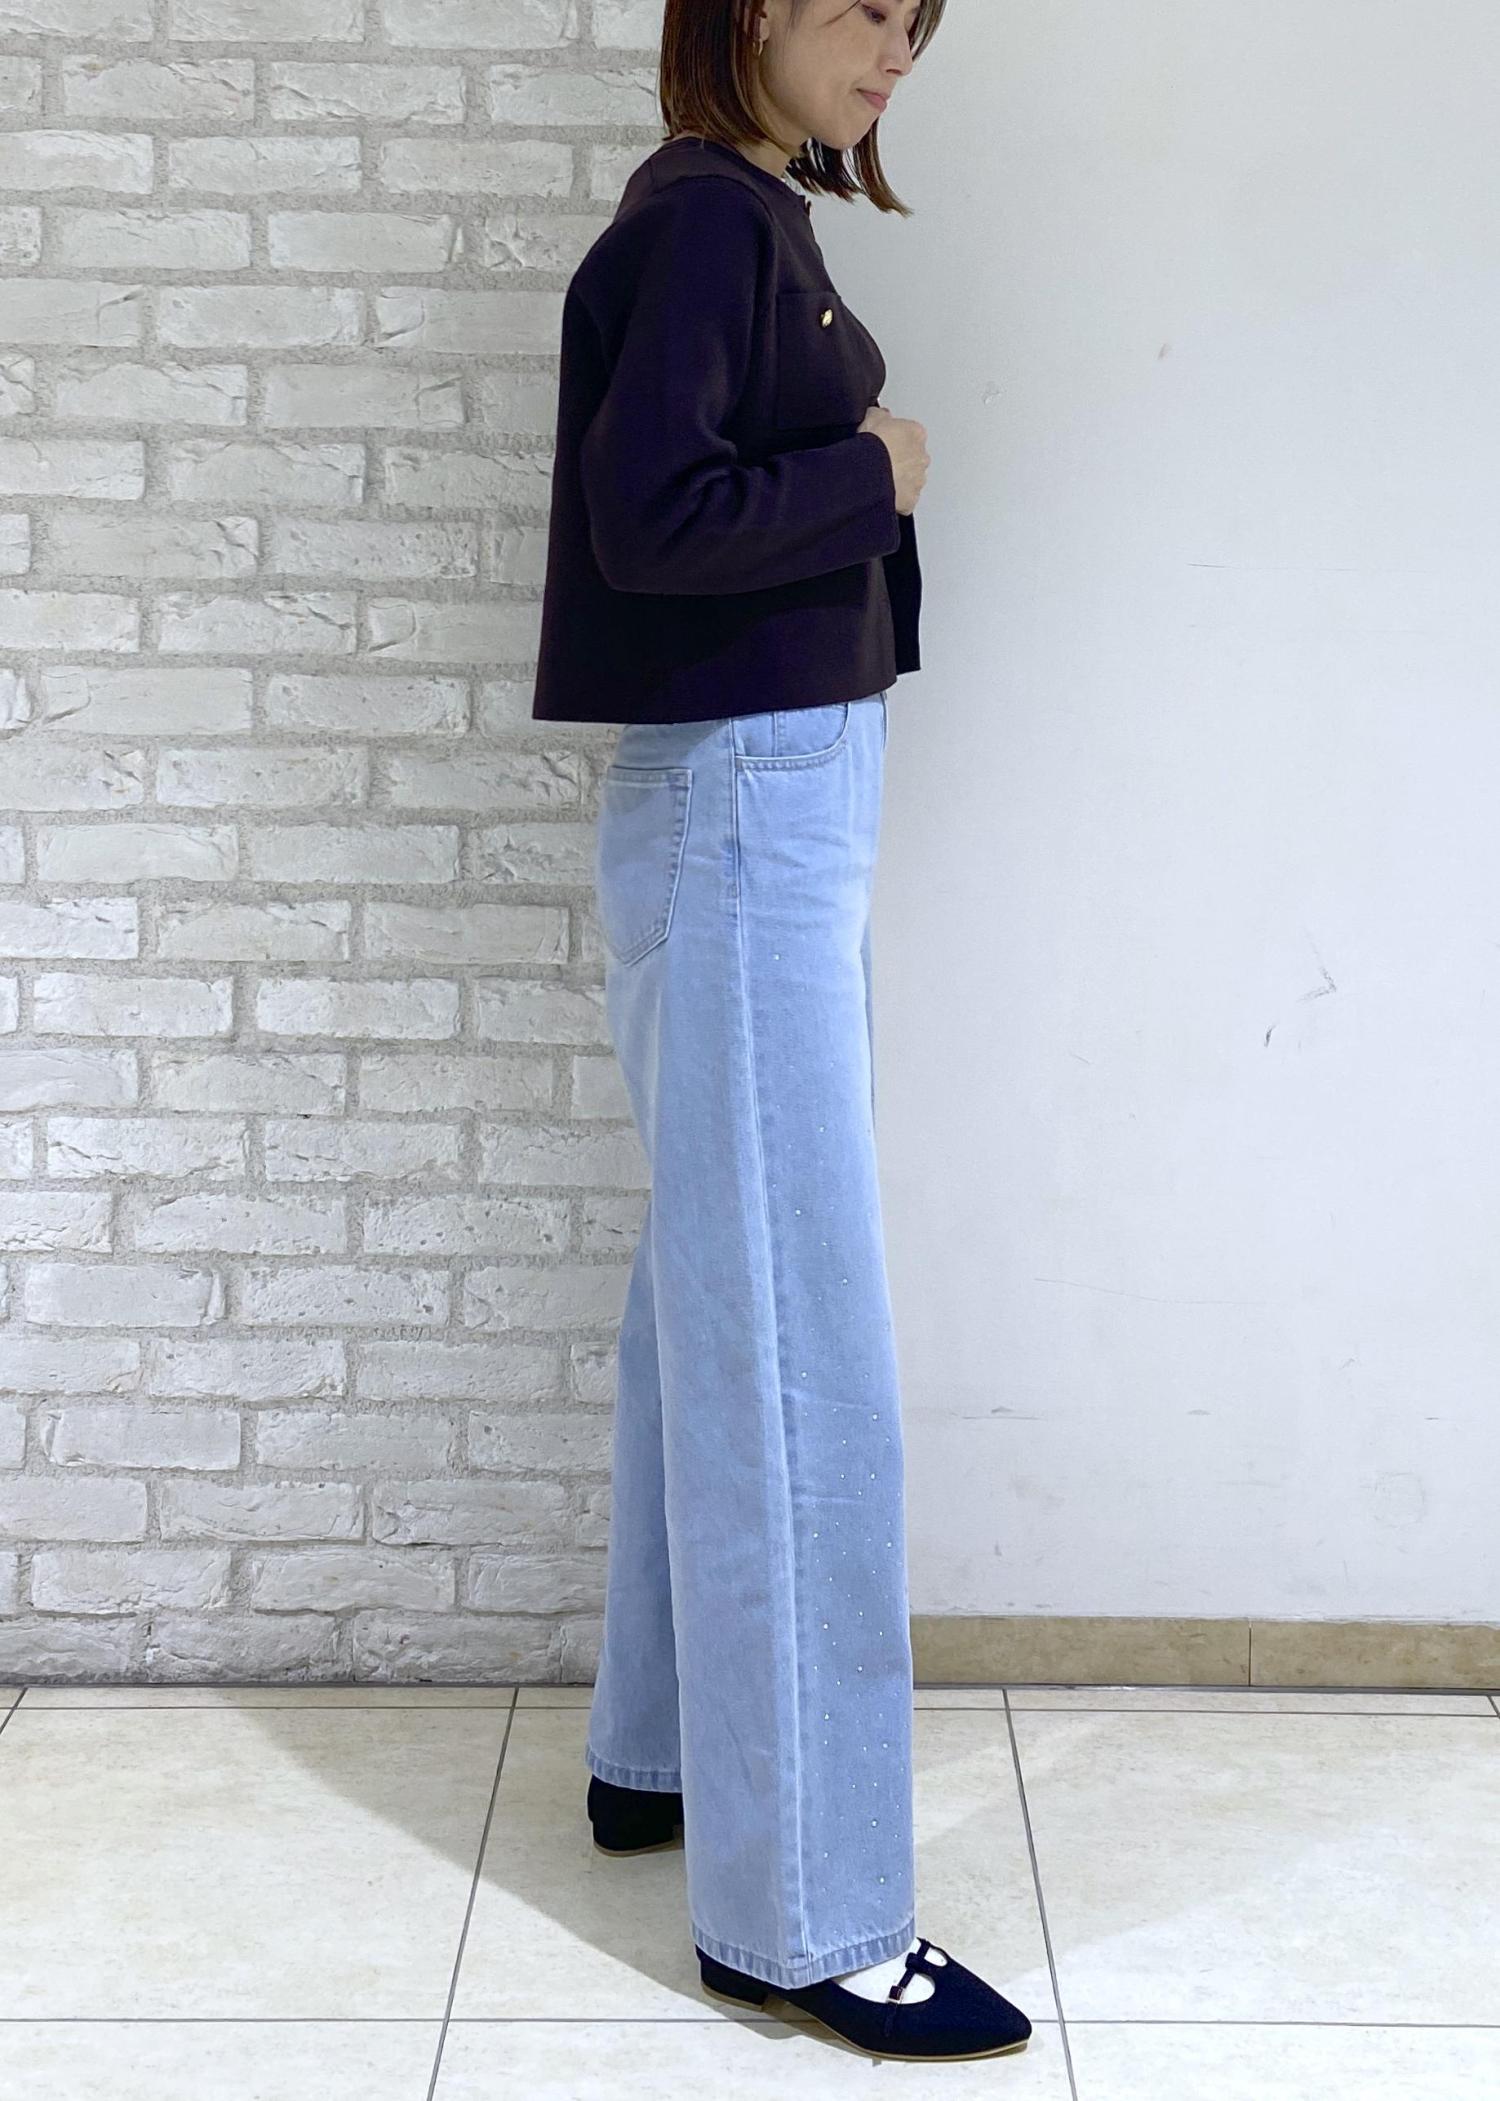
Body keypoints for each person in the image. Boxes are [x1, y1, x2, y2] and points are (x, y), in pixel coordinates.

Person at [532, 0, 1032, 2064]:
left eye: (917, 25)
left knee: (712, 1301)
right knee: (794, 1343)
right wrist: (876, 469)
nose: (898, 53)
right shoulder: (709, 225)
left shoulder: (738, 214)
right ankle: (809, 1912)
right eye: (866, 11)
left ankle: (658, 1753)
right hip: (752, 797)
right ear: (748, 5)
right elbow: (652, 521)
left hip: (746, 797)